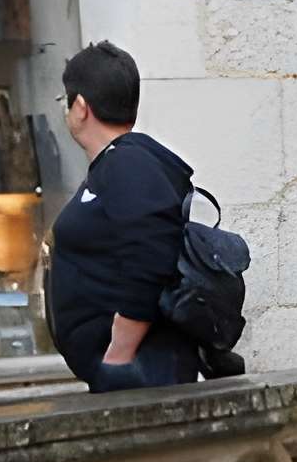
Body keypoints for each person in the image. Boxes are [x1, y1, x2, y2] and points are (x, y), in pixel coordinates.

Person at [47, 38, 197, 392]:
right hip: (127, 368)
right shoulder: (118, 163)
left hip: (137, 368)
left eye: (64, 102)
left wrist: (119, 353)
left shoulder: (128, 163)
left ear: (81, 107)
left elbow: (151, 254)